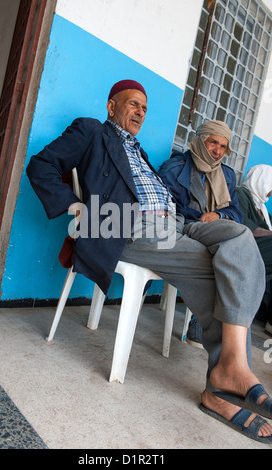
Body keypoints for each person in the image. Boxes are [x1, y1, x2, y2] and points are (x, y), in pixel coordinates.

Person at [27, 80, 272, 442]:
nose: (140, 112)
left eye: (144, 107)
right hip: (128, 225)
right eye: (132, 104)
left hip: (178, 224)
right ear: (111, 106)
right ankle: (222, 387)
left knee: (239, 238)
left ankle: (228, 370)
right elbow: (41, 164)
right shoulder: (92, 130)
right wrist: (76, 206)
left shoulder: (138, 150)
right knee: (219, 269)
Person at [158, 120, 243, 349]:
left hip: (211, 229)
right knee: (218, 252)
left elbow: (235, 211)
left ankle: (204, 327)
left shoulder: (227, 176)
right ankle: (202, 327)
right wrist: (199, 217)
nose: (217, 151)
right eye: (213, 142)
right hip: (183, 228)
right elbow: (166, 207)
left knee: (230, 250)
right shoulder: (174, 168)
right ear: (200, 140)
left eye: (223, 146)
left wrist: (218, 216)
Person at [236, 164, 272, 336]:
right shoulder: (241, 194)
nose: (271, 193)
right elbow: (245, 226)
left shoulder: (263, 208)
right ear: (262, 180)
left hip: (262, 249)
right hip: (248, 246)